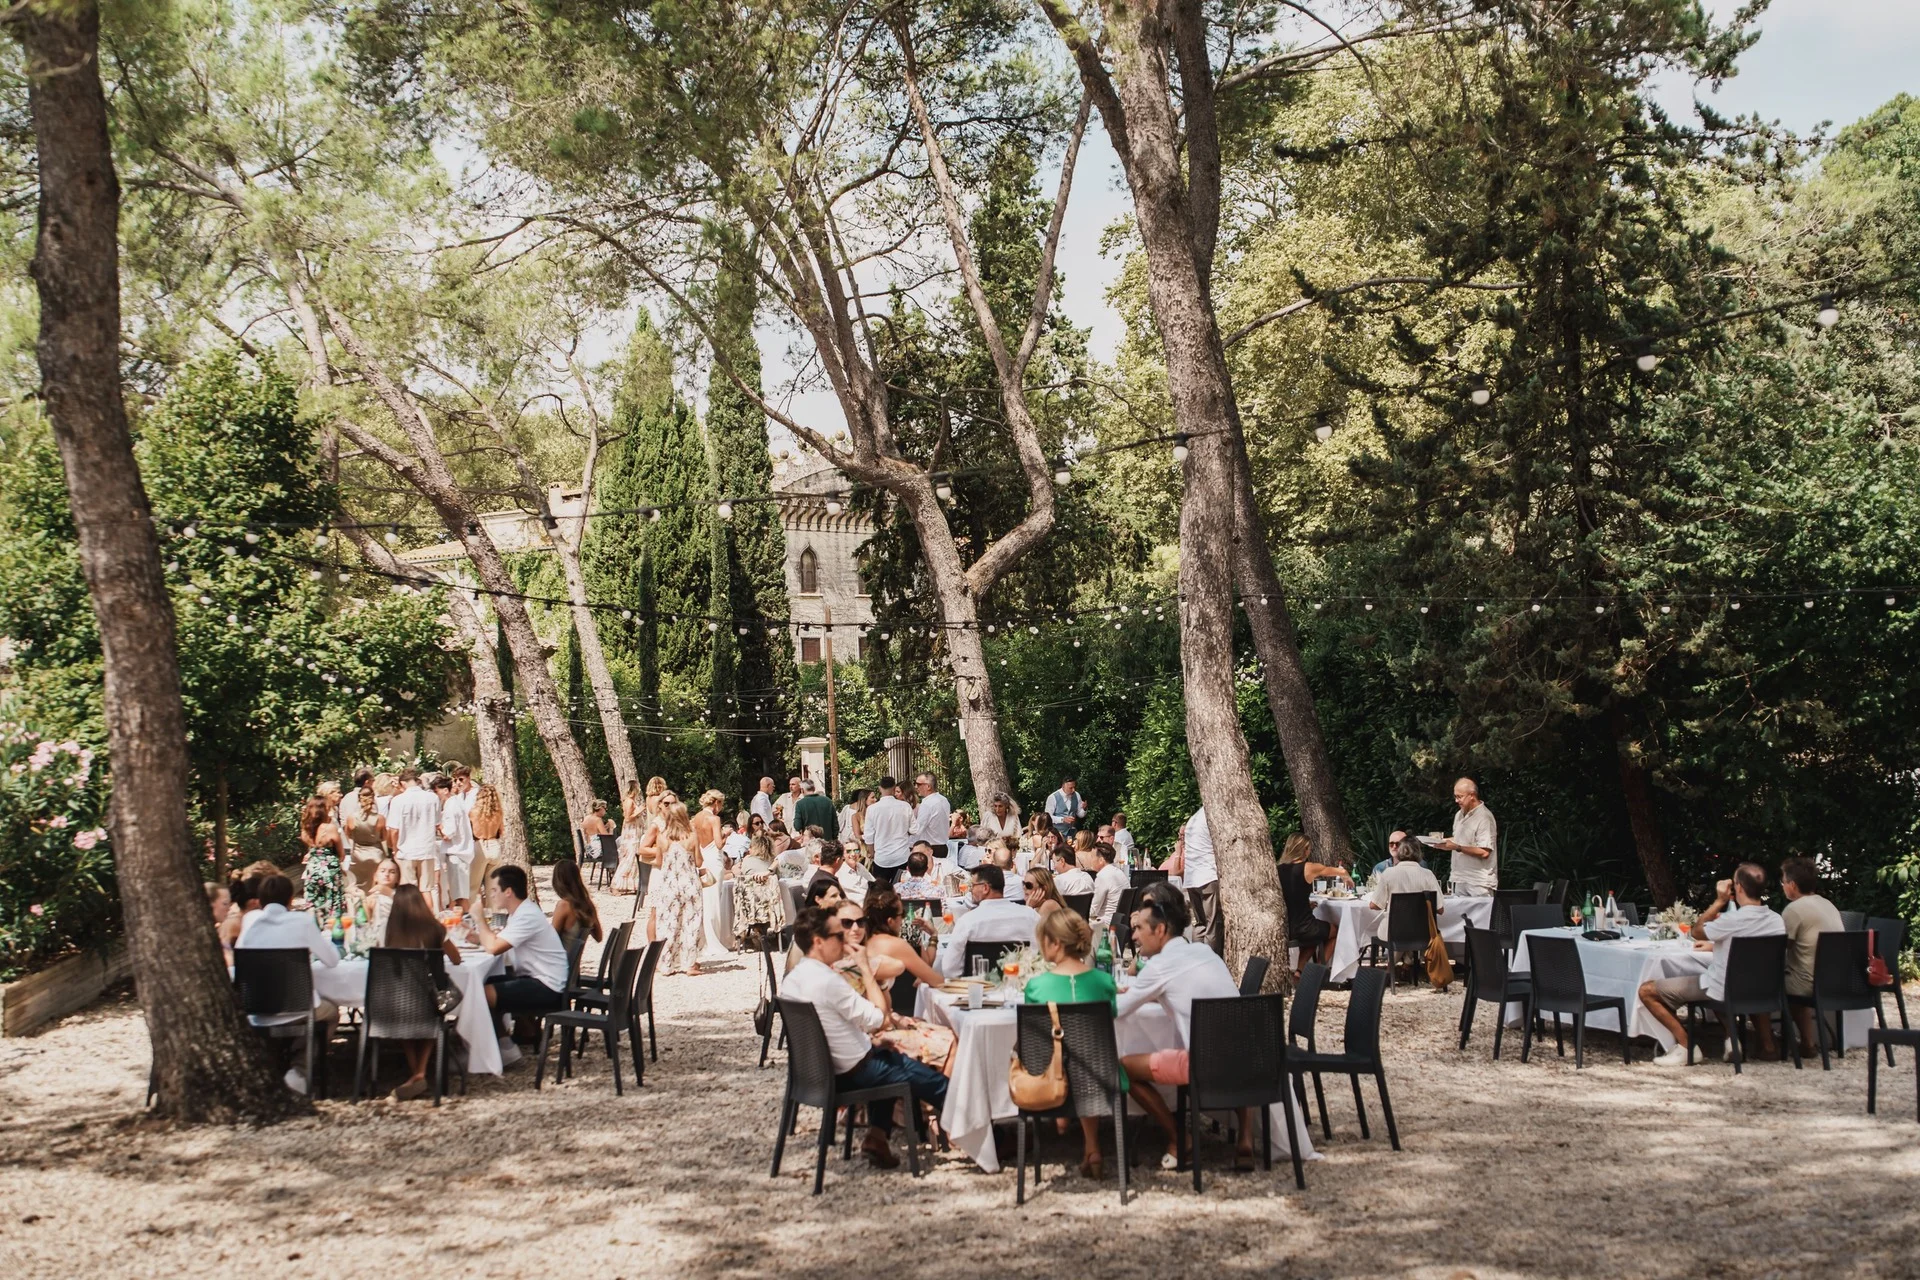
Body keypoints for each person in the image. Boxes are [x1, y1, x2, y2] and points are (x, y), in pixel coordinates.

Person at [783, 905, 950, 1169]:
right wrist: (865, 968)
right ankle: (989, 1138)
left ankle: (877, 1137)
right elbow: (880, 1018)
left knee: (890, 1053)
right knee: (939, 1084)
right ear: (818, 942)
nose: (845, 939)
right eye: (838, 935)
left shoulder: (794, 979)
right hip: (854, 1071)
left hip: (819, 1072)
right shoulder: (829, 980)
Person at [1022, 907, 1173, 1179]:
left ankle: (1069, 1125)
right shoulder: (1103, 982)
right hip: (1099, 1077)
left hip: (1052, 1077)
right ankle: (1091, 1145)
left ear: (1055, 943)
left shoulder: (1036, 986)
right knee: (1089, 1059)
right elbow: (1113, 1015)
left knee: (1072, 1058)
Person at [1117, 883, 1248, 1169]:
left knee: (1122, 1067)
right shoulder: (1205, 953)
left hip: (1202, 1065)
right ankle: (1246, 1138)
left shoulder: (1160, 965)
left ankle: (1178, 1136)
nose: (1135, 936)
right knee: (1230, 1041)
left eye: (1141, 929)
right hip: (1248, 1059)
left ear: (1160, 930)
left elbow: (1118, 1011)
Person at [1640, 863, 1785, 1066]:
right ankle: (1749, 1043)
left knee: (1647, 991)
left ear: (1739, 888)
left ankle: (1686, 1046)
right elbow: (1747, 945)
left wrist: (1719, 901)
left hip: (1725, 989)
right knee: (1713, 973)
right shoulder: (1777, 920)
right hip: (1763, 988)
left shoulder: (1732, 920)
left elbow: (1696, 932)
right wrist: (1715, 946)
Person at [235, 873, 340, 1094]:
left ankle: (275, 1067)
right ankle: (300, 1070)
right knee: (330, 1012)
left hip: (256, 1006)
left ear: (260, 900)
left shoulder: (249, 920)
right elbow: (332, 961)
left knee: (305, 1011)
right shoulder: (302, 921)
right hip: (298, 1007)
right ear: (290, 899)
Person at [471, 865, 570, 1061]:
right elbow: (497, 941)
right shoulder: (524, 911)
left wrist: (478, 918)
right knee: (485, 979)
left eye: (493, 890)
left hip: (547, 986)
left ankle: (499, 1048)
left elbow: (493, 947)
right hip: (541, 978)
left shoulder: (526, 915)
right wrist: (474, 936)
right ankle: (504, 1042)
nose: (491, 895)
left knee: (477, 991)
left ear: (508, 892)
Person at [380, 884, 465, 1101]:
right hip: (431, 1000)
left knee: (407, 1019)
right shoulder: (435, 929)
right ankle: (421, 1072)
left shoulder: (388, 932)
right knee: (431, 1016)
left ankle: (417, 1074)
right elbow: (456, 959)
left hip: (396, 1001)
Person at [1779, 856, 1844, 1051]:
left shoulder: (1794, 910)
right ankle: (1807, 1043)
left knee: (1761, 982)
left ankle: (1766, 1043)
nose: (1782, 886)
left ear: (1791, 885)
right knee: (1798, 972)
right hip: (1838, 980)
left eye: (1783, 881)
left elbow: (1778, 948)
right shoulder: (1827, 904)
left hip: (1809, 984)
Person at [937, 866, 1040, 979]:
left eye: (973, 886)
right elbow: (1039, 955)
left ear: (985, 888)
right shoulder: (1031, 917)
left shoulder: (968, 922)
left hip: (978, 989)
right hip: (1020, 986)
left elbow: (949, 969)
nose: (970, 890)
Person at [1365, 835, 1441, 974]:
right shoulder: (1428, 874)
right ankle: (1407, 964)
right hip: (1421, 931)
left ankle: (1390, 969)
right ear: (1418, 852)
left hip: (1395, 930)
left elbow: (1374, 905)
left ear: (1400, 852)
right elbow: (1440, 909)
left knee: (1398, 926)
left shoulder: (1389, 873)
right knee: (1409, 926)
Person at [648, 800, 708, 977]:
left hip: (669, 885)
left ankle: (667, 964)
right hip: (689, 883)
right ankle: (689, 964)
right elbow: (699, 861)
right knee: (691, 923)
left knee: (668, 924)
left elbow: (659, 862)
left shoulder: (662, 837)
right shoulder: (691, 836)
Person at [387, 768, 443, 905]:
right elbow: (437, 824)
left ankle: (411, 921)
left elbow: (394, 830)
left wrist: (394, 849)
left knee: (408, 890)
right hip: (427, 848)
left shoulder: (398, 800)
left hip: (406, 850)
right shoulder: (432, 798)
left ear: (403, 783)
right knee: (426, 890)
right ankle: (429, 920)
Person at [1438, 777, 1497, 897]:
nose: (1456, 800)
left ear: (1472, 795)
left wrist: (1457, 847)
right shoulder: (1459, 815)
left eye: (1459, 796)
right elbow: (1459, 840)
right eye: (1455, 796)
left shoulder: (1484, 817)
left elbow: (1484, 851)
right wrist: (1440, 842)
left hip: (1478, 882)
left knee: (1480, 916)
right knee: (1459, 915)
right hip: (1459, 879)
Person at [731, 835, 789, 950]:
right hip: (770, 906)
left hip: (750, 906)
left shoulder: (747, 860)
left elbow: (740, 875)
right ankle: (769, 929)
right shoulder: (772, 862)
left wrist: (734, 869)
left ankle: (751, 931)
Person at [338, 770, 387, 905]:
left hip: (358, 855)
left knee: (359, 891)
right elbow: (384, 837)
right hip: (376, 854)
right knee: (378, 890)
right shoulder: (379, 818)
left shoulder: (350, 813)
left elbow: (347, 833)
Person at [1180, 805, 1223, 954]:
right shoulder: (1212, 816)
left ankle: (1196, 958)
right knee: (1212, 925)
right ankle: (1210, 962)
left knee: (1199, 924)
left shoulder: (1194, 818)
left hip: (1192, 877)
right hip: (1207, 876)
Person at [298, 795, 347, 925]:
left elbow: (311, 849)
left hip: (313, 867)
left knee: (313, 902)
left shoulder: (305, 829)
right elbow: (341, 853)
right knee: (333, 902)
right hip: (329, 869)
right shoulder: (329, 828)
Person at [549, 859, 604, 961]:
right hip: (574, 968)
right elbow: (599, 937)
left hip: (558, 969)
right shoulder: (588, 905)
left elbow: (550, 940)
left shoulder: (564, 905)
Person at [865, 775, 914, 885]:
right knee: (903, 888)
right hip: (902, 855)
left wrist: (872, 853)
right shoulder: (905, 806)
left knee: (880, 890)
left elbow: (869, 836)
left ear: (879, 788)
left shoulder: (872, 809)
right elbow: (914, 829)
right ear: (894, 788)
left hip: (882, 857)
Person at [438, 767, 476, 909]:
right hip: (464, 841)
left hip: (468, 843)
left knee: (467, 890)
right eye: (456, 780)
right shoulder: (458, 798)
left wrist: (441, 827)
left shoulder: (475, 794)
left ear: (468, 778)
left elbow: (451, 830)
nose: (458, 783)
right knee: (460, 889)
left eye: (461, 779)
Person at [467, 780, 504, 903]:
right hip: (494, 845)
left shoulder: (473, 812)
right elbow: (502, 831)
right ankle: (493, 918)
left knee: (473, 886)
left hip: (480, 845)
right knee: (492, 888)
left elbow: (469, 830)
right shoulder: (499, 813)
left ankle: (472, 916)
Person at [612, 778, 648, 896]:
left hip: (635, 833)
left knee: (633, 859)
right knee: (628, 858)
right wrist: (640, 810)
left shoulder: (632, 801)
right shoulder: (629, 802)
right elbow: (627, 818)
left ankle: (630, 885)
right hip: (630, 834)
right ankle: (617, 884)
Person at [1088, 840, 1131, 927]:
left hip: (1105, 924)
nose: (1090, 860)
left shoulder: (1103, 876)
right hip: (1120, 922)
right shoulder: (1119, 872)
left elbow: (1093, 910)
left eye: (1092, 857)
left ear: (1101, 860)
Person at [910, 772, 951, 853]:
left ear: (928, 786)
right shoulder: (944, 800)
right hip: (944, 846)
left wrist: (910, 845)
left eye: (918, 784)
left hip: (930, 848)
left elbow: (918, 829)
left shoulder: (927, 804)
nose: (915, 787)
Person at [693, 789, 727, 884]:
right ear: (717, 802)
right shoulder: (714, 819)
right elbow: (719, 844)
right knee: (715, 894)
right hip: (714, 859)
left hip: (701, 858)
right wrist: (727, 835)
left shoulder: (696, 817)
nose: (721, 807)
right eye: (721, 804)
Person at [365, 857, 401, 943]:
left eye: (392, 872)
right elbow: (366, 922)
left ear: (398, 878)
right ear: (375, 876)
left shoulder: (402, 896)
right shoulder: (371, 898)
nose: (387, 874)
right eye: (382, 871)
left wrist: (388, 892)